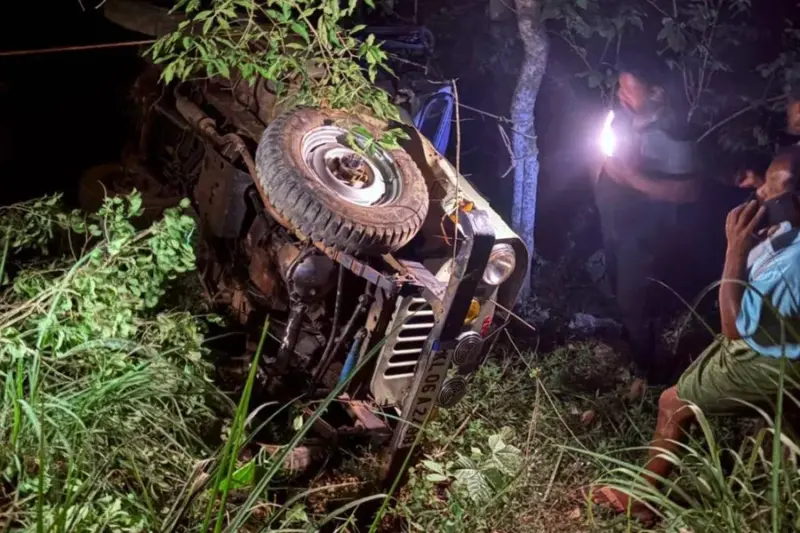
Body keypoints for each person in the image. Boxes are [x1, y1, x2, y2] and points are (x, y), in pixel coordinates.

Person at [588, 146, 800, 520]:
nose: (761, 193)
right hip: (786, 342)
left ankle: (644, 500)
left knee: (673, 402)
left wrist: (735, 250)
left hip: (769, 356)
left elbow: (733, 329)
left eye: (773, 189)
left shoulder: (793, 262)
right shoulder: (791, 233)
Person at [595, 54, 703, 399]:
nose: (621, 96)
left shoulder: (674, 135)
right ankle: (633, 352)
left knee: (636, 302)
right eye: (620, 88)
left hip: (643, 235)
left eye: (629, 90)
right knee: (619, 291)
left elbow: (687, 192)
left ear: (656, 93)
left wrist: (630, 178)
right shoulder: (624, 120)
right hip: (615, 225)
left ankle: (649, 377)